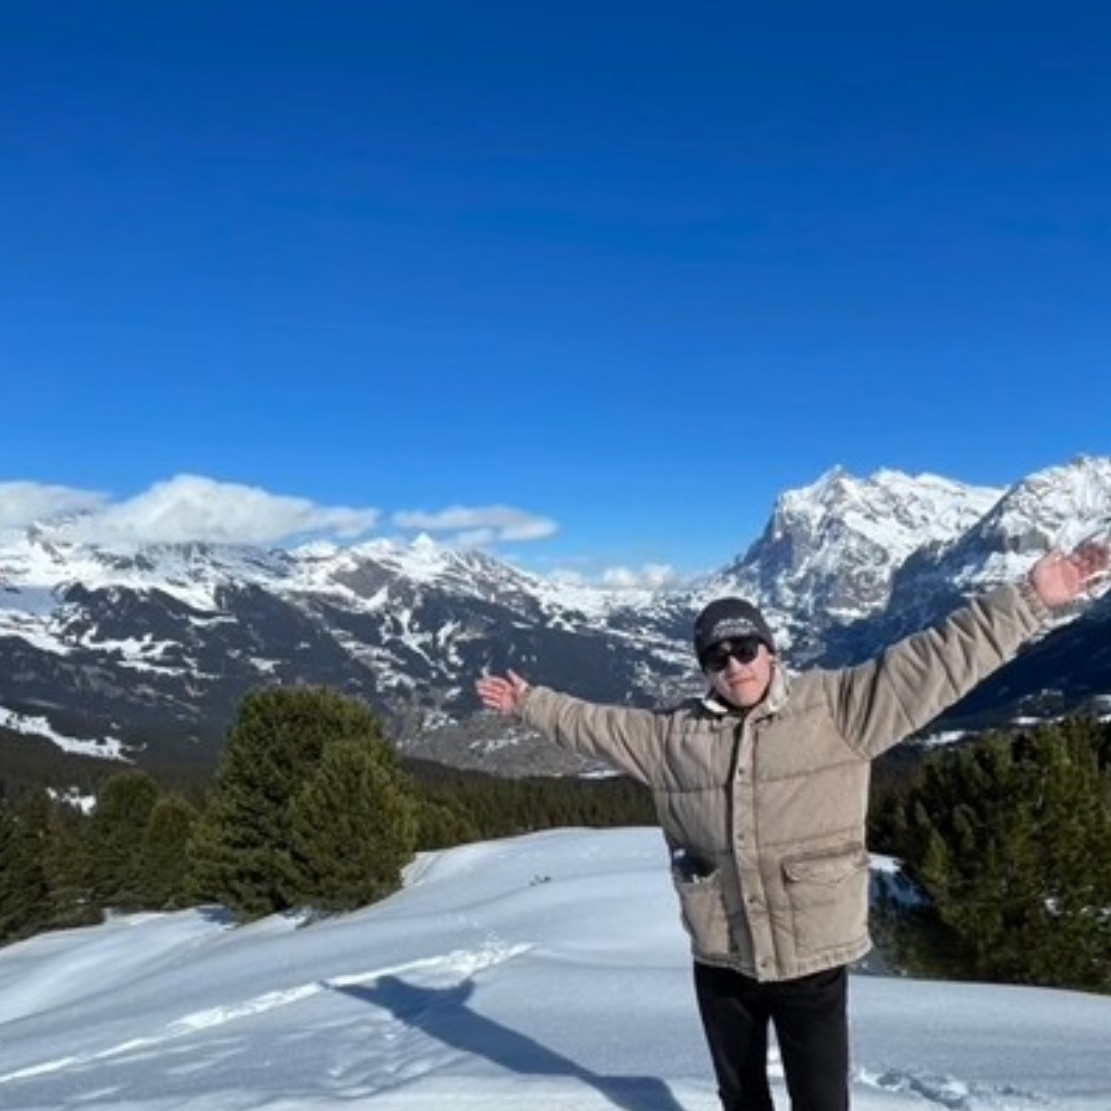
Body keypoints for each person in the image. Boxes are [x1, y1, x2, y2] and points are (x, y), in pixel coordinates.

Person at [475, 540, 1110, 1111]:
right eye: (717, 656)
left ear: (771, 650)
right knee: (741, 1097)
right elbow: (596, 726)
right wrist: (531, 703)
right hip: (723, 958)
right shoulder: (672, 738)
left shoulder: (838, 708)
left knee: (821, 1101)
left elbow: (936, 661)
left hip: (812, 959)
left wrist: (1030, 600)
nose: (734, 665)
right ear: (705, 669)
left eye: (745, 648)